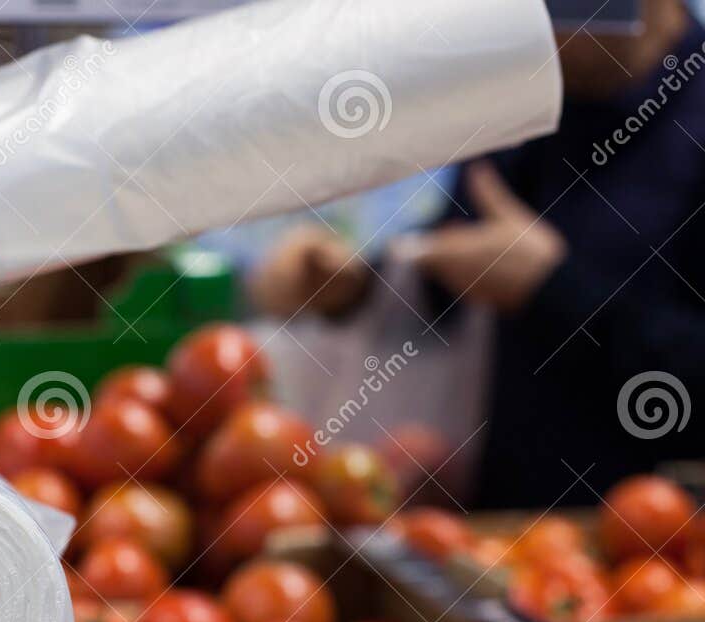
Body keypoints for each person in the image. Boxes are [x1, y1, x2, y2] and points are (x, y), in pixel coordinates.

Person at [249, 0, 705, 508]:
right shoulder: (532, 105)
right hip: (503, 529)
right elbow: (455, 264)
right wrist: (352, 286)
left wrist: (555, 289)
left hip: (662, 533)